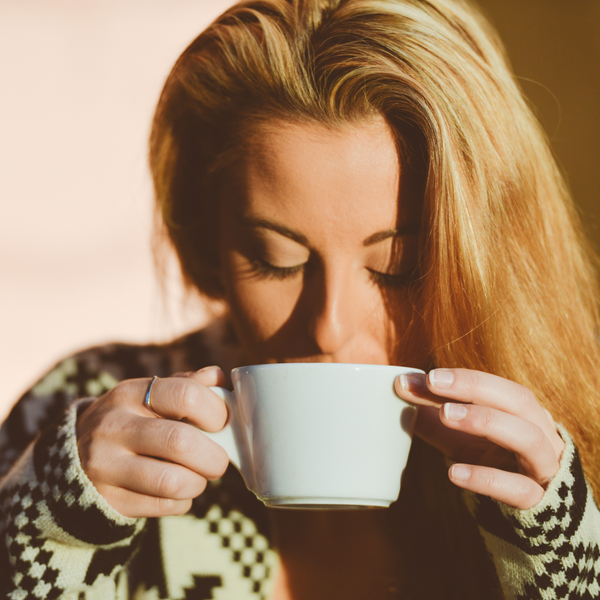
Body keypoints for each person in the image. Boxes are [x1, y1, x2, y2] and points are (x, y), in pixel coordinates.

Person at [1, 0, 600, 598]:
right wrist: (51, 538)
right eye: (275, 259)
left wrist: (562, 569)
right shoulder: (80, 412)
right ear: (210, 243)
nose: (329, 326)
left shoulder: (563, 471)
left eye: (399, 268)